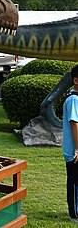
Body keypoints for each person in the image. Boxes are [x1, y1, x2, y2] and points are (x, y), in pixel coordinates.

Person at [63, 64, 78, 222]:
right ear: (76, 80)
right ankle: (75, 214)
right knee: (75, 182)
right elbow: (74, 123)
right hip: (74, 151)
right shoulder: (73, 99)